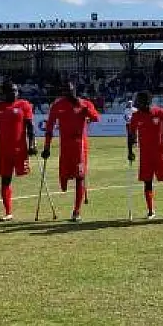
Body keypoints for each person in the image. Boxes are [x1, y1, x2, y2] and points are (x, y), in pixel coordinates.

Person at [42, 81, 100, 222]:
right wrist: (47, 147)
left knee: (80, 177)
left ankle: (76, 211)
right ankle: (65, 183)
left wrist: (86, 111)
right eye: (65, 90)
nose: (68, 92)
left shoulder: (84, 103)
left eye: (70, 89)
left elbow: (96, 117)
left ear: (74, 90)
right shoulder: (57, 105)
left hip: (80, 146)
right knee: (64, 176)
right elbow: (49, 126)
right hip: (65, 146)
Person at [0, 82, 37, 222]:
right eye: (11, 91)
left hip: (20, 150)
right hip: (4, 150)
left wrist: (32, 145)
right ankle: (8, 212)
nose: (15, 93)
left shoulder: (24, 105)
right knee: (5, 179)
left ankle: (31, 208)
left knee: (24, 176)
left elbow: (30, 126)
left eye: (16, 90)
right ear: (5, 93)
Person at [126, 91, 163, 219]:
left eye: (139, 101)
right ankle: (150, 210)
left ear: (146, 102)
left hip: (160, 154)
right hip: (145, 156)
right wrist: (130, 152)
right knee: (147, 182)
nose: (136, 103)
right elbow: (131, 135)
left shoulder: (160, 113)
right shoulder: (136, 116)